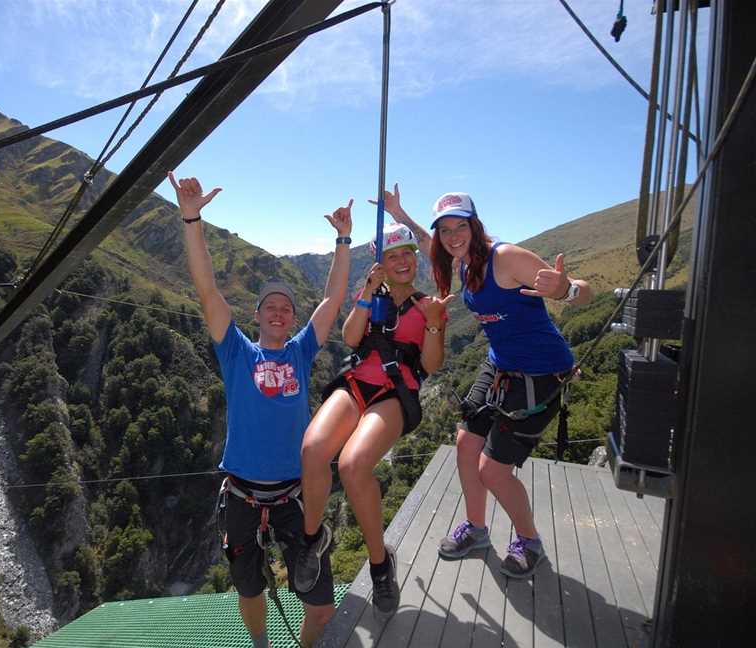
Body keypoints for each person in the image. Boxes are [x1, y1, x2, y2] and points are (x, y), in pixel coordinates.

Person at [168, 172, 352, 648]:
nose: (278, 312)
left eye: (286, 307)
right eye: (269, 306)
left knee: (322, 603)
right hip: (242, 497)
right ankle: (262, 646)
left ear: (292, 318)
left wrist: (343, 240)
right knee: (248, 589)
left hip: (296, 497)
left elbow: (332, 300)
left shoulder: (300, 351)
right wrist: (192, 218)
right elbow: (206, 288)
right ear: (255, 315)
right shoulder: (236, 352)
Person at [381, 184, 592, 579]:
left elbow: (583, 291)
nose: (452, 236)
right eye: (445, 230)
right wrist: (399, 213)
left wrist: (565, 289)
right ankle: (477, 530)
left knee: (492, 471)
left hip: (541, 372)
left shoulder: (506, 257)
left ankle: (529, 541)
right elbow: (428, 243)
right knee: (465, 445)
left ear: (475, 225)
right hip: (500, 365)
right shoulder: (461, 260)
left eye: (460, 227)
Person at [294, 222, 453, 618]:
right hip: (357, 382)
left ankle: (380, 562)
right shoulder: (372, 296)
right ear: (381, 262)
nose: (401, 262)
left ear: (415, 258)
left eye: (407, 254)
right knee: (313, 449)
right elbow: (351, 339)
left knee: (353, 464)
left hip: (395, 394)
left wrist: (433, 322)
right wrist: (366, 293)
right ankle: (312, 538)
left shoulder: (428, 304)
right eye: (392, 256)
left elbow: (431, 365)